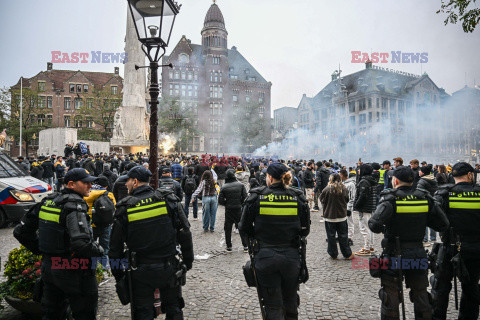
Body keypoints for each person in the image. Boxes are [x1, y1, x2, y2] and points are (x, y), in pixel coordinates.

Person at [13, 168, 103, 319]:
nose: (90, 186)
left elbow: (20, 231)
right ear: (71, 184)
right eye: (86, 182)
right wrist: (99, 251)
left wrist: (42, 250)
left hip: (49, 269)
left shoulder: (47, 201)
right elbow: (81, 243)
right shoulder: (74, 205)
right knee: (84, 314)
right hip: (73, 270)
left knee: (52, 314)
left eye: (91, 182)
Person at [109, 166, 193, 320]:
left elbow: (115, 248)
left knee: (143, 312)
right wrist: (188, 261)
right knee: (174, 308)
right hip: (169, 266)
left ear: (134, 182)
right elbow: (185, 232)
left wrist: (119, 275)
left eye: (127, 181)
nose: (125, 184)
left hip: (140, 271)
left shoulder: (125, 207)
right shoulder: (168, 199)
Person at [368, 166, 449, 320]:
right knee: (421, 295)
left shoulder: (390, 198)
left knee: (390, 297)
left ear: (395, 180)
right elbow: (442, 224)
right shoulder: (424, 197)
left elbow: (374, 225)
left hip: (393, 255)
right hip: (418, 253)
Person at [239, 162, 310, 320]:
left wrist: (256, 238)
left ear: (269, 177)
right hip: (291, 258)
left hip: (265, 257)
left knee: (272, 305)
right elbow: (305, 230)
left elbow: (243, 227)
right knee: (291, 302)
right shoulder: (297, 197)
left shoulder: (257, 196)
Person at [431, 162, 480, 320]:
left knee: (441, 288)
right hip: (475, 248)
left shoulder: (443, 193)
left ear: (454, 176)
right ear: (470, 175)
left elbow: (434, 220)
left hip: (449, 247)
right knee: (471, 287)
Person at [320, 173, 354, 260]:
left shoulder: (327, 189)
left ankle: (333, 254)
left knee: (331, 236)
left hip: (329, 216)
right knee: (343, 236)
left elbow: (321, 199)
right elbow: (347, 200)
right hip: (342, 216)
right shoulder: (344, 188)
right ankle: (347, 254)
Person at [84, 176, 116, 264]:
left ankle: (92, 268)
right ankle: (104, 268)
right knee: (105, 248)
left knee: (90, 248)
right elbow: (114, 208)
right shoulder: (109, 194)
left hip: (90, 224)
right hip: (105, 224)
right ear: (106, 186)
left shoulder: (87, 193)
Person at [218, 169, 248, 253]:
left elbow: (220, 201)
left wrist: (226, 204)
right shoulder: (241, 185)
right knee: (241, 227)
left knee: (228, 228)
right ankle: (245, 246)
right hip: (238, 209)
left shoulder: (224, 187)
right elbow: (245, 197)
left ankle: (229, 247)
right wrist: (240, 203)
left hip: (229, 210)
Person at [353, 164, 378, 255]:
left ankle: (367, 248)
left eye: (360, 169)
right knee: (369, 228)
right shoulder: (371, 180)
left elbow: (363, 195)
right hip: (370, 206)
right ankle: (370, 246)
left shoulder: (364, 181)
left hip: (364, 207)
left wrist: (356, 205)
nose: (358, 171)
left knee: (364, 228)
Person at [416, 164, 439, 246]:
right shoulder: (434, 179)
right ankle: (433, 239)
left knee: (424, 222)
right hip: (433, 201)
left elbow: (419, 193)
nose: (419, 171)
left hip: (425, 202)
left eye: (420, 170)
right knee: (432, 221)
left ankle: (425, 239)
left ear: (423, 172)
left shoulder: (422, 181)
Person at [341, 170, 356, 246]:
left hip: (347, 206)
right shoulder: (343, 183)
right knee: (344, 222)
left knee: (350, 222)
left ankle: (350, 238)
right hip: (343, 206)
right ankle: (344, 236)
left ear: (342, 175)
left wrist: (349, 208)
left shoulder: (351, 184)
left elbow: (352, 197)